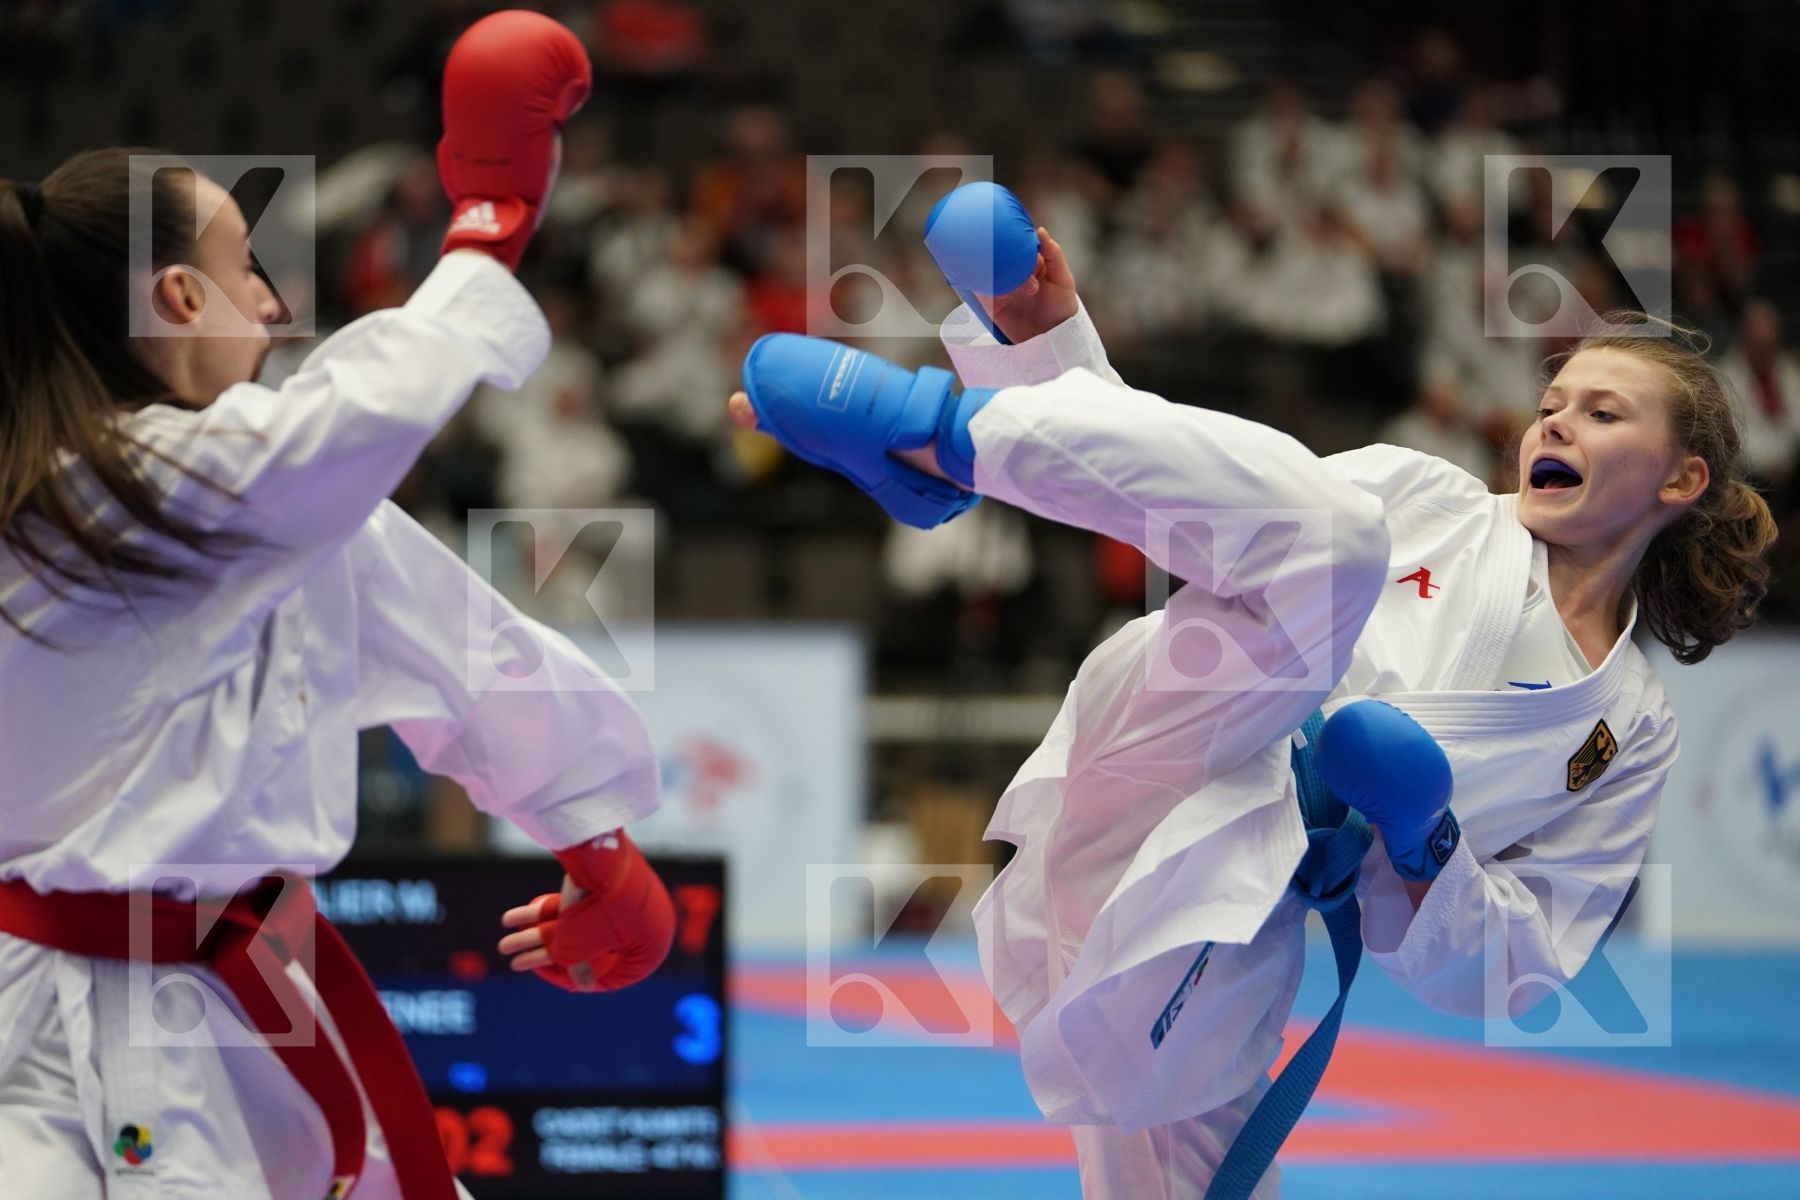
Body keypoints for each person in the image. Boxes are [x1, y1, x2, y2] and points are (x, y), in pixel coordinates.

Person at [726, 228, 1777, 1197]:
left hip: (1217, 913)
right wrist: (1055, 349)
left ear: (1680, 478)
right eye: (1554, 400)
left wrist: (1426, 839)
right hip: (1189, 723)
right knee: (1335, 533)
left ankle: (953, 450)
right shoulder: (1430, 499)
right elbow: (1208, 509)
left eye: (1603, 413)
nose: (1555, 420)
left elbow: (1519, 970)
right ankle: (939, 445)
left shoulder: (1631, 726)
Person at [0, 13, 673, 1200]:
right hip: (63, 1027)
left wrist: (598, 845)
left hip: (254, 998)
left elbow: (467, 654)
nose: (270, 306)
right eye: (246, 268)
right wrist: (489, 225)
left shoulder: (283, 520)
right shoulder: (84, 496)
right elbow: (334, 426)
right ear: (178, 297)